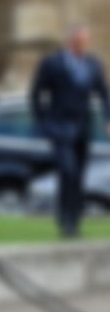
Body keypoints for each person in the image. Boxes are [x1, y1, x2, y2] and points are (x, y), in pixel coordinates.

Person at [29, 23, 110, 237]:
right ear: (72, 39)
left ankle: (73, 221)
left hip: (82, 128)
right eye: (83, 38)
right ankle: (64, 219)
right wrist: (43, 123)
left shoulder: (92, 64)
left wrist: (107, 119)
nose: (86, 42)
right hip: (60, 127)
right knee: (68, 171)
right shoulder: (52, 63)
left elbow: (104, 94)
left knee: (79, 175)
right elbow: (36, 94)